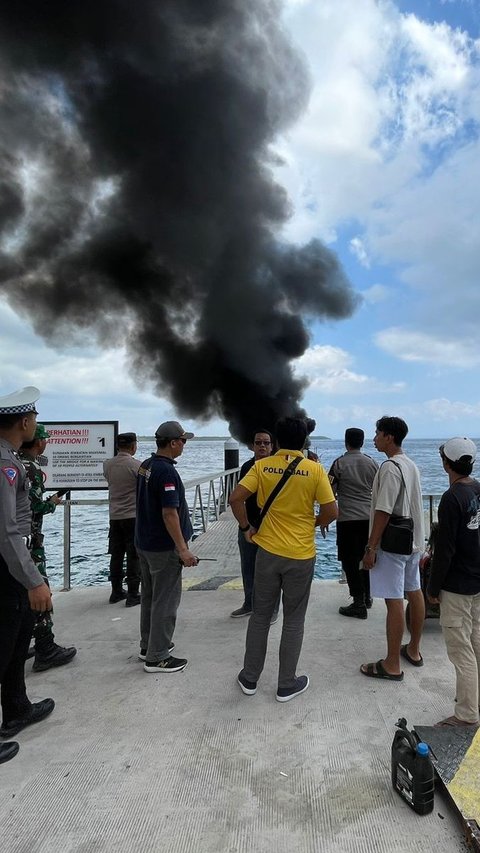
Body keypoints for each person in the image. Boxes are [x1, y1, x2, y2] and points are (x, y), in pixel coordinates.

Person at [230, 417, 338, 702]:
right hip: (301, 554)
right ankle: (286, 683)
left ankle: (250, 678)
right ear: (304, 442)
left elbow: (235, 498)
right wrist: (312, 523)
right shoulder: (314, 470)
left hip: (267, 552)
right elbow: (331, 511)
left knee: (261, 616)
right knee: (293, 620)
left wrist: (246, 528)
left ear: (275, 441)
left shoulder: (262, 466)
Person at [0, 387, 54, 763]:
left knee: (19, 638)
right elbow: (7, 532)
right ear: (24, 421)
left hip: (11, 566)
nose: (35, 423)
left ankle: (17, 707)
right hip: (6, 569)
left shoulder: (12, 459)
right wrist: (34, 580)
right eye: (33, 417)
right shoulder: (4, 464)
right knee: (4, 644)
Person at [360, 416, 425, 681]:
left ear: (388, 436)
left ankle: (391, 664)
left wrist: (371, 547)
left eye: (377, 433)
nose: (374, 438)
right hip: (414, 540)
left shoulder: (388, 467)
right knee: (414, 591)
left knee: (394, 600)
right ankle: (414, 650)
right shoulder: (410, 465)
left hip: (393, 545)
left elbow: (384, 510)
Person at [135, 421, 199, 673]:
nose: (184, 445)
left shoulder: (145, 466)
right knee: (166, 600)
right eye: (183, 441)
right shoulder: (167, 472)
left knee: (150, 597)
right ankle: (158, 657)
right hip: (163, 548)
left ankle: (148, 646)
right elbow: (169, 513)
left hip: (145, 543)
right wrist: (183, 549)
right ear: (173, 442)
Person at [427, 437, 480, 728]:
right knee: (476, 641)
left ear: (446, 463)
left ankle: (466, 714)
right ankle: (475, 700)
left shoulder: (451, 499)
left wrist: (433, 589)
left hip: (457, 585)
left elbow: (444, 551)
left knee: (461, 650)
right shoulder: (478, 489)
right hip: (477, 580)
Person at [19, 425, 77, 671]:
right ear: (38, 442)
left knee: (20, 595)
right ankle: (46, 648)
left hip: (15, 542)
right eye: (44, 439)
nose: (46, 443)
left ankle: (21, 644)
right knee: (41, 591)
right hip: (29, 542)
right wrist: (51, 503)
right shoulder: (31, 468)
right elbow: (33, 508)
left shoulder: (13, 462)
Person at [328, 428, 378, 619]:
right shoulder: (372, 463)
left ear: (346, 441)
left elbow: (329, 489)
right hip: (368, 519)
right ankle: (367, 596)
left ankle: (358, 602)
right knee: (366, 559)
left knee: (349, 562)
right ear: (362, 442)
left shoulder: (339, 463)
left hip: (347, 519)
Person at [230, 429, 274, 619]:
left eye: (266, 442)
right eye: (258, 443)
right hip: (249, 524)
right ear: (252, 446)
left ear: (272, 446)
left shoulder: (276, 467)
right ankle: (249, 603)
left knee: (271, 571)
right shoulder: (248, 467)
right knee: (248, 567)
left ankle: (272, 609)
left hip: (271, 527)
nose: (262, 446)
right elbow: (239, 498)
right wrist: (245, 526)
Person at [103, 432, 142, 606]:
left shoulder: (107, 465)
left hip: (114, 516)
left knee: (116, 555)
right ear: (133, 446)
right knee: (133, 556)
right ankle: (133, 594)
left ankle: (116, 591)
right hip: (132, 517)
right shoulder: (137, 466)